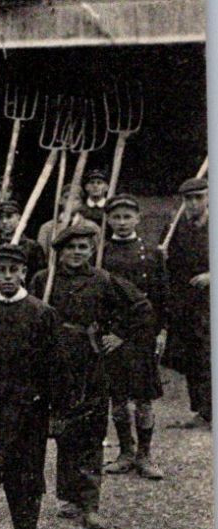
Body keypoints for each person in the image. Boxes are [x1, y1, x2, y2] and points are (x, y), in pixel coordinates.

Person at [30, 219, 155, 529]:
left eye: (82, 247)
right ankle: (69, 498)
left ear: (92, 249)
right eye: (70, 247)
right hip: (55, 363)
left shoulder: (103, 279)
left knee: (91, 430)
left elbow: (140, 306)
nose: (76, 252)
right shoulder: (44, 279)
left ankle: (90, 503)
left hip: (90, 362)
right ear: (58, 251)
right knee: (64, 431)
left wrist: (119, 334)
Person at [0, 245, 60, 529]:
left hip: (30, 407)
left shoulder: (41, 312)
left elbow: (54, 365)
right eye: (1, 270)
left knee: (28, 471)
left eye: (14, 270)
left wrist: (53, 409)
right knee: (6, 468)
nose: (7, 276)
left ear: (24, 272)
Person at [97, 195, 169, 479]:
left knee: (143, 397)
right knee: (118, 396)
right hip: (112, 335)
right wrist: (110, 332)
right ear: (109, 220)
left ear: (137, 219)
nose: (123, 222)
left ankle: (145, 455)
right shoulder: (101, 254)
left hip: (142, 333)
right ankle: (125, 451)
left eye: (128, 216)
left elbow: (161, 297)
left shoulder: (152, 253)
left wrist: (162, 330)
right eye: (117, 217)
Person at [163, 175, 211, 427]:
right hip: (187, 301)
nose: (193, 203)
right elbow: (168, 262)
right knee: (193, 355)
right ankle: (202, 411)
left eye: (198, 198)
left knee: (209, 353)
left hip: (211, 300)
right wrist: (161, 254)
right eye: (188, 199)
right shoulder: (176, 226)